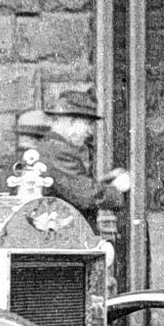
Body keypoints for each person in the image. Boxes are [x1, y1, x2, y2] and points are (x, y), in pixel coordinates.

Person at [34, 91, 130, 227]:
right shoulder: (58, 151)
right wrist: (117, 188)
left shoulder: (52, 146)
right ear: (71, 121)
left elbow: (72, 185)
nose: (90, 131)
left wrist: (105, 180)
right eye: (88, 123)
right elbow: (85, 196)